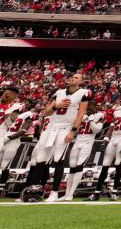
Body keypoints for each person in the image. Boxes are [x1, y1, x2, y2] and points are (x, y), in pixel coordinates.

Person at [29, 72, 91, 203]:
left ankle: (55, 192)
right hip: (51, 127)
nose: (73, 78)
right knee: (41, 159)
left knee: (59, 158)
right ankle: (33, 190)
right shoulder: (59, 92)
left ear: (81, 81)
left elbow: (80, 114)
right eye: (72, 77)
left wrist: (73, 131)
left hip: (65, 127)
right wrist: (56, 106)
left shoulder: (83, 93)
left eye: (76, 77)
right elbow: (47, 111)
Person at [62, 101, 105, 201]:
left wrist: (90, 121)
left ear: (96, 108)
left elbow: (97, 130)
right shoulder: (83, 115)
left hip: (88, 142)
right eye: (88, 106)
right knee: (72, 167)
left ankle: (71, 193)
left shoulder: (99, 116)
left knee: (79, 166)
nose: (89, 108)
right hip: (78, 141)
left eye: (92, 106)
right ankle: (67, 193)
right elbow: (75, 128)